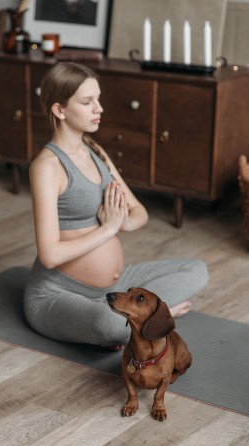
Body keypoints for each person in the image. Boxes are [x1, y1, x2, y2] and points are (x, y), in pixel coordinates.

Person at [24, 62, 209, 349]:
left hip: (114, 286)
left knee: (196, 270)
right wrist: (108, 229)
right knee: (109, 325)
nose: (99, 108)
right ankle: (155, 319)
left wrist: (123, 221)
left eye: (98, 99)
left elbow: (139, 213)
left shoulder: (96, 151)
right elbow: (49, 255)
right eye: (87, 102)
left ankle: (138, 320)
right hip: (58, 293)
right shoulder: (47, 167)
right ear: (60, 110)